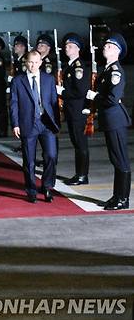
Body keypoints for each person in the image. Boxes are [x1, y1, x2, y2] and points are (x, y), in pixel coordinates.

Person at [86, 33, 131, 210]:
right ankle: (116, 196)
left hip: (115, 119)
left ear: (117, 52)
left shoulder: (116, 71)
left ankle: (123, 199)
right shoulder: (107, 70)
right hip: (109, 120)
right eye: (105, 45)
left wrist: (95, 97)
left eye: (110, 46)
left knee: (120, 160)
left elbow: (112, 98)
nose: (105, 47)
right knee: (115, 159)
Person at [9, 50, 60, 203]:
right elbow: (13, 104)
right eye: (30, 62)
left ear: (40, 63)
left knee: (51, 155)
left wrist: (56, 123)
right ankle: (31, 189)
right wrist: (15, 123)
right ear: (26, 62)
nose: (33, 65)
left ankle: (47, 186)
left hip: (46, 124)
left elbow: (53, 102)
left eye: (36, 62)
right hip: (28, 123)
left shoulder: (49, 79)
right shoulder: (18, 81)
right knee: (29, 160)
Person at [56, 34, 90, 185]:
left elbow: (80, 91)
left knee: (80, 143)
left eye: (70, 46)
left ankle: (82, 175)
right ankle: (79, 174)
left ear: (78, 49)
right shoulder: (69, 65)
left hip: (77, 111)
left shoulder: (78, 67)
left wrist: (62, 92)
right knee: (76, 143)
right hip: (71, 110)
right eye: (66, 46)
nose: (66, 48)